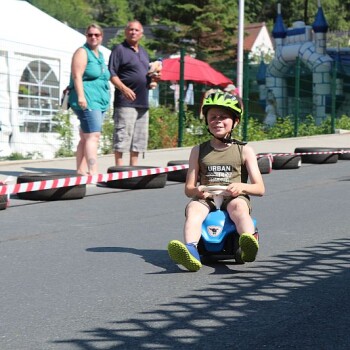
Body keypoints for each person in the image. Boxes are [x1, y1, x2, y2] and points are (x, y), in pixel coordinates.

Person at [167, 90, 265, 272]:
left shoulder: (244, 150)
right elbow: (189, 188)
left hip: (234, 197)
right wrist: (197, 191)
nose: (217, 121)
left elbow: (259, 188)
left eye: (223, 117)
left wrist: (241, 186)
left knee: (239, 208)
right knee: (193, 208)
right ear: (206, 120)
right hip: (208, 197)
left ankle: (248, 243)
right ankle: (191, 250)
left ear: (235, 121)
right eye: (213, 117)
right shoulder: (198, 150)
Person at [108, 20, 158, 166]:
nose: (133, 32)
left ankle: (134, 168)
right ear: (126, 32)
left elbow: (146, 76)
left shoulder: (144, 52)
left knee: (139, 138)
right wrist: (123, 88)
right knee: (123, 135)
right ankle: (119, 169)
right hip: (125, 101)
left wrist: (153, 80)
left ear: (141, 34)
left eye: (137, 30)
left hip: (143, 101)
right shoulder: (119, 49)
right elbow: (111, 73)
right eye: (131, 30)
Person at [68, 24, 110, 176]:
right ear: (86, 36)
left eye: (97, 35)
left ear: (101, 37)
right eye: (90, 34)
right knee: (93, 136)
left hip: (100, 101)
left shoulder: (99, 54)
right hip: (88, 100)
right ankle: (93, 171)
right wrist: (81, 96)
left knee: (85, 136)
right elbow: (77, 75)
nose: (93, 37)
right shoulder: (82, 52)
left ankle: (80, 169)